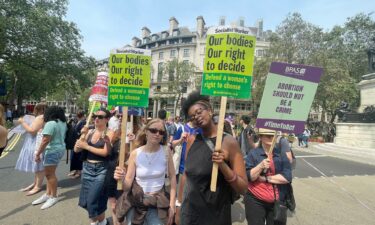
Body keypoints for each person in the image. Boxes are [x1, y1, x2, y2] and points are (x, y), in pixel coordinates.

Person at [175, 91, 247, 225]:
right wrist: (178, 205)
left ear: (210, 110)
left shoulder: (229, 142)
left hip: (215, 215)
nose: (196, 117)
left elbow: (243, 188)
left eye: (199, 111)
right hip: (190, 213)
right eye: (192, 117)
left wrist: (223, 166)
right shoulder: (191, 140)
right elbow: (185, 175)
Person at [114, 118, 177, 225]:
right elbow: (127, 186)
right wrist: (121, 178)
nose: (157, 134)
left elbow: (173, 177)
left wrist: (172, 205)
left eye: (161, 132)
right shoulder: (135, 153)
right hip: (137, 203)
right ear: (146, 131)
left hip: (157, 204)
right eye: (153, 130)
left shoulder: (166, 151)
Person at [244, 128, 292, 225]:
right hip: (255, 200)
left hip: (277, 201)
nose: (271, 138)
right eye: (268, 136)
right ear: (261, 137)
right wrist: (260, 166)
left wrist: (265, 179)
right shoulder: (253, 154)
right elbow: (249, 177)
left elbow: (287, 177)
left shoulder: (281, 154)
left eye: (273, 136)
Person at [74, 108, 113, 225]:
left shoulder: (109, 132)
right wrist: (83, 135)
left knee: (92, 200)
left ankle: (94, 223)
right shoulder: (89, 131)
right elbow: (76, 149)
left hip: (101, 169)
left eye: (100, 117)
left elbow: (105, 152)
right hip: (87, 168)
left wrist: (86, 146)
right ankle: (103, 222)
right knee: (87, 201)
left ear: (107, 119)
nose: (96, 118)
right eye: (95, 116)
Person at [32, 106, 67, 209]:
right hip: (60, 149)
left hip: (52, 150)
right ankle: (48, 194)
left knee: (49, 174)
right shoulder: (62, 122)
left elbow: (45, 140)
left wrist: (38, 153)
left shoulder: (50, 123)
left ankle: (53, 196)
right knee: (50, 173)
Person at [15, 103, 47, 195]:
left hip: (35, 142)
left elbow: (32, 131)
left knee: (38, 165)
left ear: (38, 109)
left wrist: (22, 122)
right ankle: (36, 183)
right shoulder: (42, 117)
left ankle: (38, 186)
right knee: (37, 165)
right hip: (35, 142)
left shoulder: (40, 117)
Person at [68, 110, 86, 179]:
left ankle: (79, 171)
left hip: (79, 141)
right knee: (73, 157)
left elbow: (82, 132)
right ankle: (75, 170)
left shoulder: (83, 122)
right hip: (74, 141)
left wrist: (78, 134)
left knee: (78, 157)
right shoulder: (76, 121)